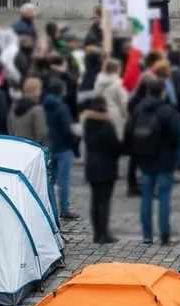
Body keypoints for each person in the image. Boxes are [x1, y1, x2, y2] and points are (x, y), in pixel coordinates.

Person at [125, 76, 180, 245]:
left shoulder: (138, 109)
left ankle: (147, 235)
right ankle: (164, 234)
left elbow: (129, 132)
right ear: (163, 92)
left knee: (146, 197)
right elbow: (178, 134)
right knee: (164, 197)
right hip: (165, 160)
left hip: (145, 159)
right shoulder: (168, 111)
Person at [81, 96, 122, 244]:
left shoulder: (88, 124)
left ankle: (97, 233)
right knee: (104, 202)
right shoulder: (106, 125)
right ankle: (104, 233)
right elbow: (115, 147)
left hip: (92, 166)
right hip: (106, 167)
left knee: (95, 200)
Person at [43, 78, 79, 221]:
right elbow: (67, 129)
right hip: (63, 147)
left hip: (50, 145)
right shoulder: (62, 107)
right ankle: (64, 209)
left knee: (50, 179)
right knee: (63, 179)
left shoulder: (43, 105)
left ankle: (51, 208)